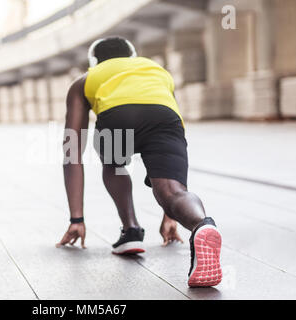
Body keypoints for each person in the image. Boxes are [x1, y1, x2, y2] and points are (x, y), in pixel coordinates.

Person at [56, 36, 222, 287]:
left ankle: (131, 230)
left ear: (95, 62)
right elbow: (174, 124)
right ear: (132, 57)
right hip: (165, 121)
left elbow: (72, 151)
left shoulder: (86, 79)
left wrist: (76, 220)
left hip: (117, 120)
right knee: (173, 191)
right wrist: (171, 214)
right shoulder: (156, 70)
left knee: (114, 164)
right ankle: (202, 226)